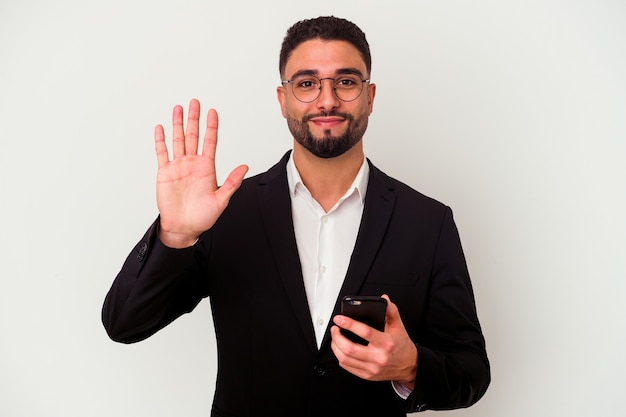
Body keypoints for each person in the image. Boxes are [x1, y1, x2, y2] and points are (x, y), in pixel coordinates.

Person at [102, 16, 490, 416]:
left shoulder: (427, 222)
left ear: (370, 96)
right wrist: (175, 235)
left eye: (346, 81)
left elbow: (472, 372)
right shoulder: (227, 213)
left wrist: (410, 366)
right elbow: (124, 323)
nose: (326, 100)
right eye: (306, 83)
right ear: (282, 99)